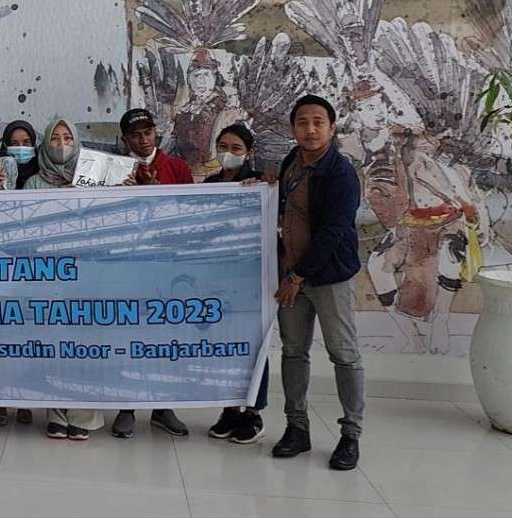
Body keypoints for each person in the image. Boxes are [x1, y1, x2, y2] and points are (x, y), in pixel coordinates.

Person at [271, 95, 364, 471]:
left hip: (327, 279)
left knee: (344, 354)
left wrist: (297, 275)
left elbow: (332, 233)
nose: (311, 130)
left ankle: (351, 435)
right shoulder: (290, 164)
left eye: (318, 122)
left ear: (331, 127)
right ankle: (297, 428)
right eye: (303, 123)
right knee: (293, 351)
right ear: (293, 128)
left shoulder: (340, 173)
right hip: (290, 277)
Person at [22, 119, 104, 440]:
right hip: (48, 276)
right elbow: (26, 230)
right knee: (52, 345)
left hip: (86, 276)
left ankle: (83, 415)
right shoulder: (33, 185)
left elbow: (103, 222)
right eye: (54, 137)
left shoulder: (93, 179)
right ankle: (55, 412)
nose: (61, 142)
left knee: (84, 346)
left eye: (67, 137)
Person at [113, 108, 192, 439]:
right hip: (129, 268)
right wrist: (119, 193)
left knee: (166, 338)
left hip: (168, 267)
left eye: (147, 133)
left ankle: (163, 406)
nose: (143, 140)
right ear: (125, 140)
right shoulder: (115, 171)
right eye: (135, 135)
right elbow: (102, 216)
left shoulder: (177, 168)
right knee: (128, 337)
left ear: (156, 134)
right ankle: (127, 406)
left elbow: (192, 216)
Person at [203, 123, 270, 444]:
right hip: (218, 276)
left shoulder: (260, 184)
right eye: (223, 146)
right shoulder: (210, 183)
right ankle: (230, 408)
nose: (227, 154)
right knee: (224, 342)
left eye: (236, 148)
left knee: (253, 342)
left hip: (251, 275)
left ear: (248, 153)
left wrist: (264, 189)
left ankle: (253, 412)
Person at [0, 120, 39, 427]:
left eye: (25, 140)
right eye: (13, 141)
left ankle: (25, 397)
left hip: (32, 267)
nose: (20, 147)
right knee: (0, 333)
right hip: (0, 265)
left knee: (29, 334)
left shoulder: (43, 173)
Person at [0, 120, 39, 191]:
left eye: (26, 142)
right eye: (14, 143)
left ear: (33, 144)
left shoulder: (43, 173)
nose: (20, 148)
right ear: (6, 146)